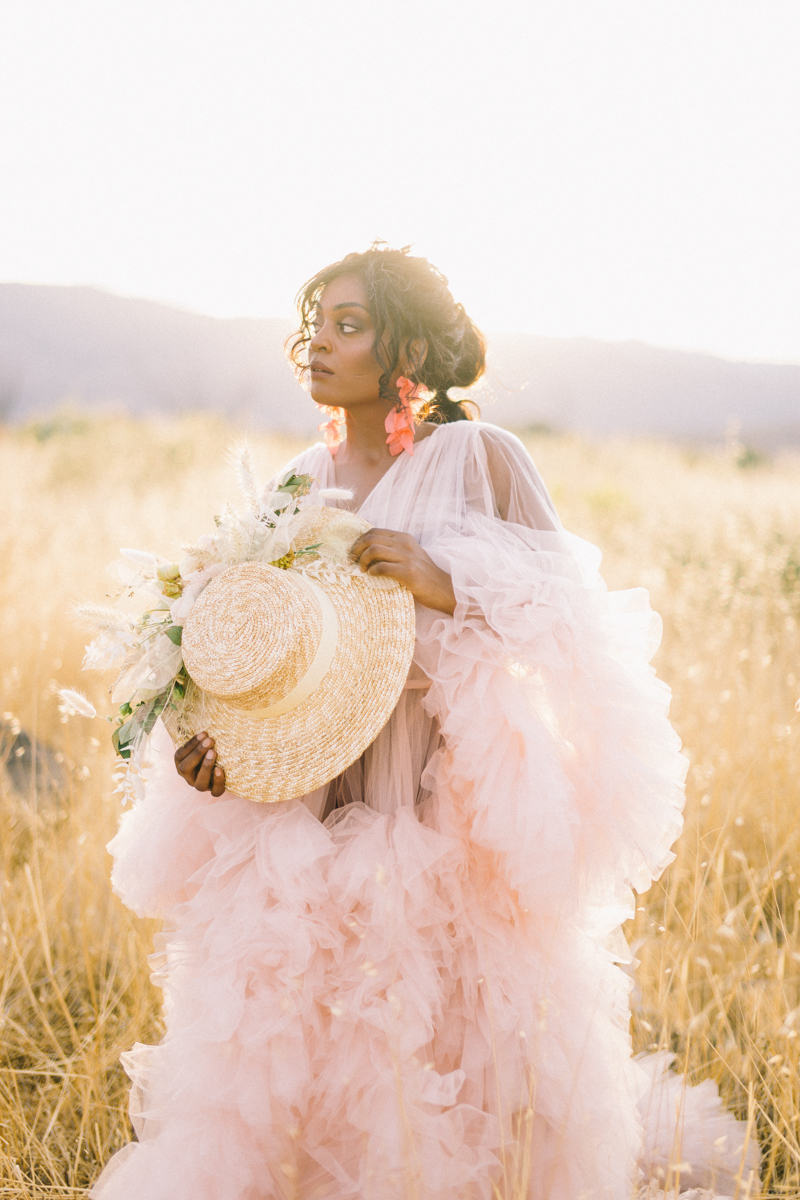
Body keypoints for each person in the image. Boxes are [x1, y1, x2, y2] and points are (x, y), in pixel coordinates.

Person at [91, 246, 735, 1200]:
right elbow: (252, 650)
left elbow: (570, 618)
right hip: (304, 814)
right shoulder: (296, 481)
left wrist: (447, 581)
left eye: (349, 325)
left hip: (436, 805)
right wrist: (217, 738)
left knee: (446, 1039)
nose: (319, 341)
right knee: (300, 1047)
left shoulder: (479, 457)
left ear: (406, 352)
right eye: (318, 320)